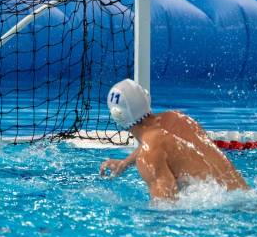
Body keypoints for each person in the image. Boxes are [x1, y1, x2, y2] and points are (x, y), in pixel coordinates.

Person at [100, 79, 248, 200]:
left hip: (229, 211)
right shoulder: (178, 119)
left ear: (117, 117)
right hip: (245, 195)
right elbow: (159, 144)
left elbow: (167, 208)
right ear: (146, 98)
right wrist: (125, 163)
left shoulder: (148, 155)